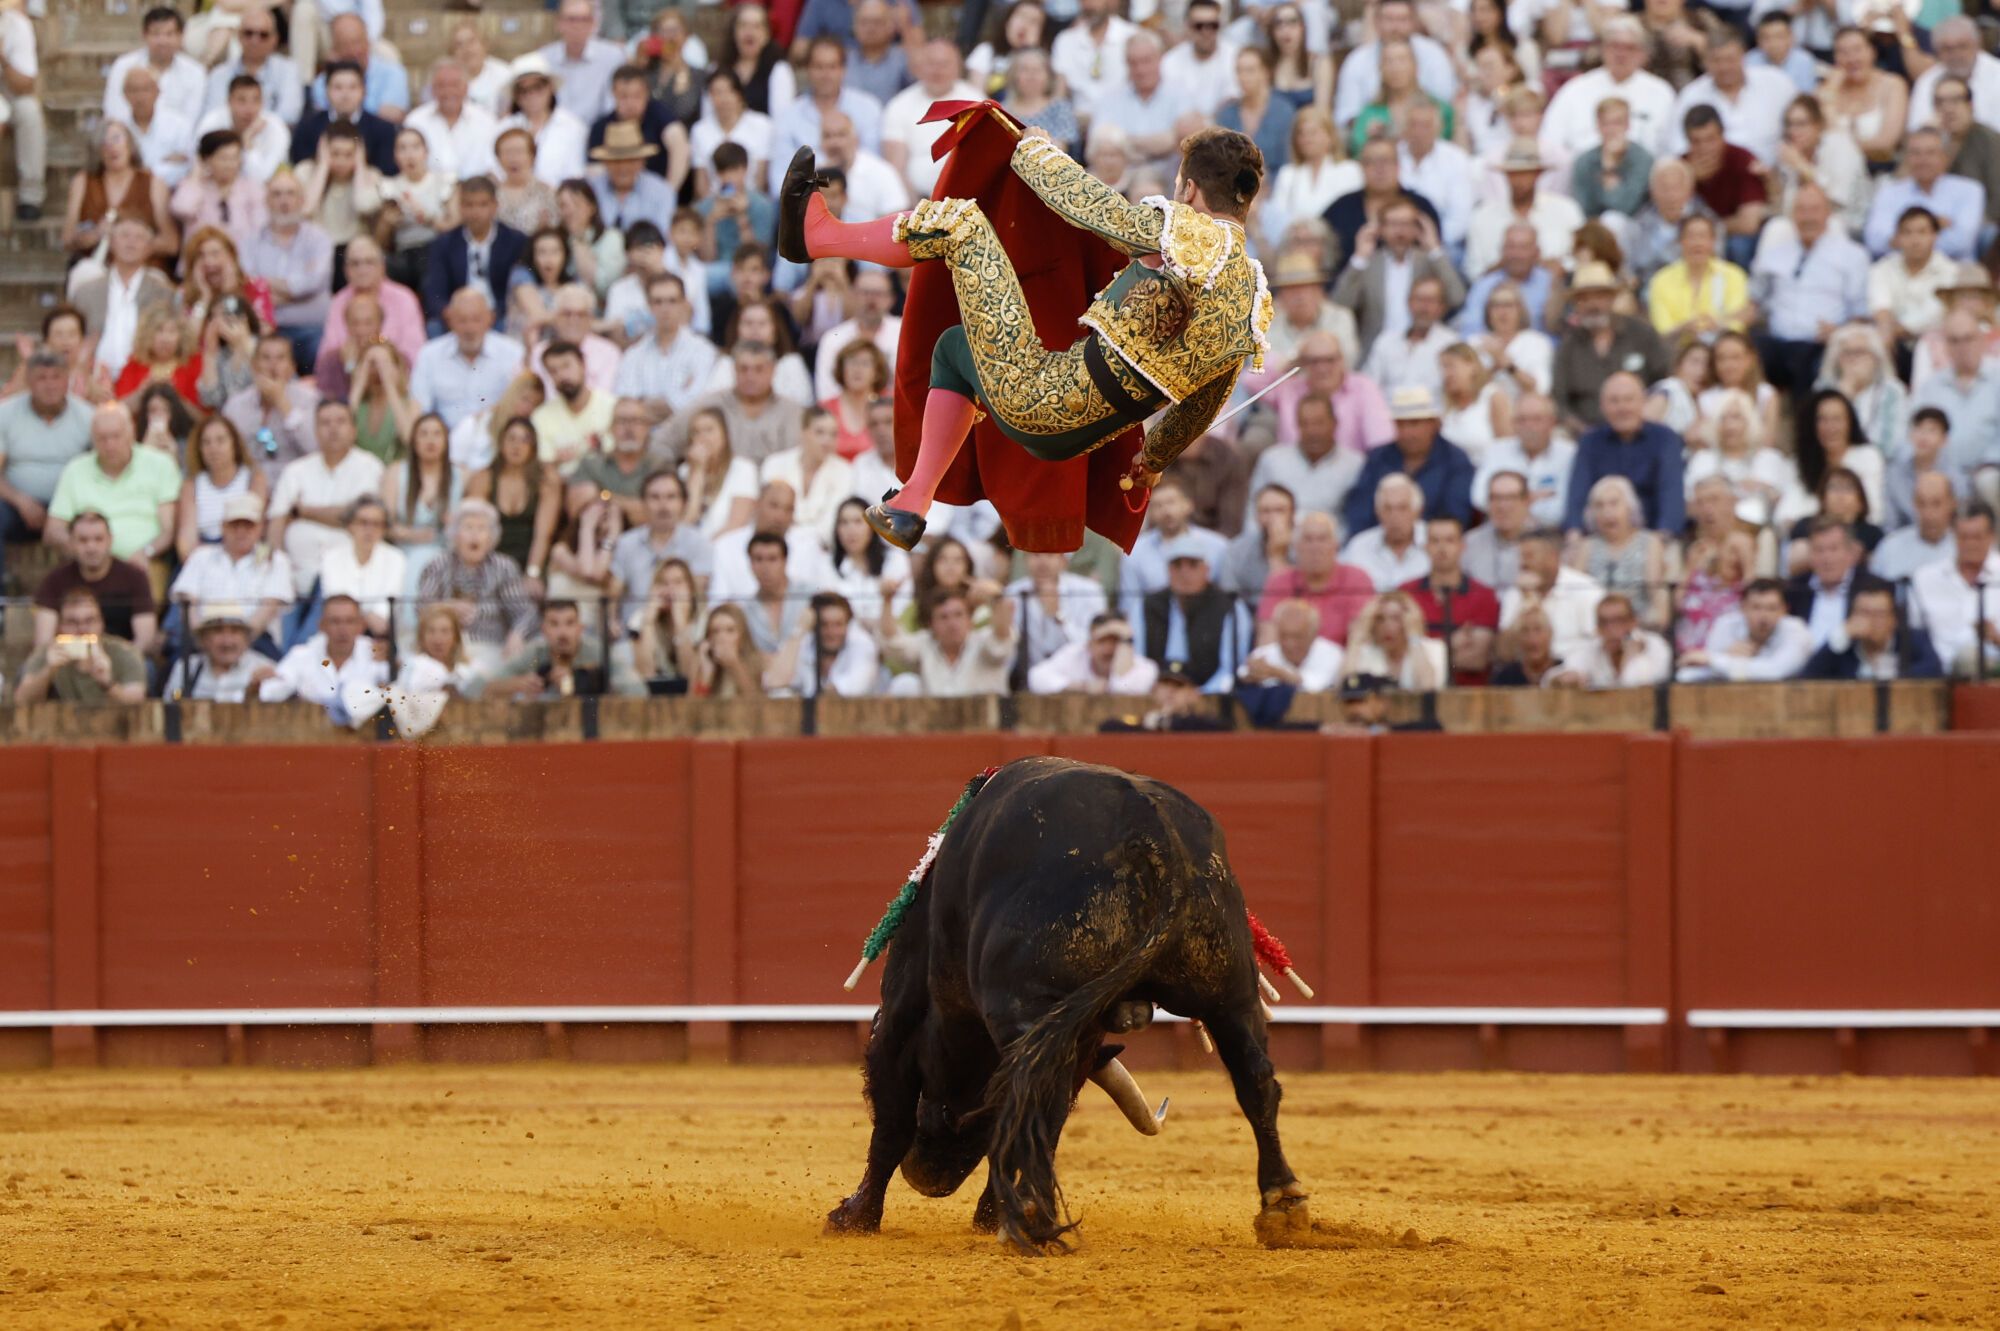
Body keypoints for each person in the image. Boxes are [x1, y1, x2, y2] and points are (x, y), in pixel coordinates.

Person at [1753, 184, 1872, 400]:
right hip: (1778, 341)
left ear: (1828, 214)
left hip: (1821, 342)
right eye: (1801, 210)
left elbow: (1860, 313)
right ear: (1792, 215)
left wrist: (1840, 331)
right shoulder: (1774, 254)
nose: (1808, 217)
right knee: (1746, 352)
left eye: (1814, 210)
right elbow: (1754, 300)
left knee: (1810, 363)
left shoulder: (1852, 256)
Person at [266, 401, 387, 598]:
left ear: (354, 429)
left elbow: (358, 517)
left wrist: (303, 512)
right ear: (315, 430)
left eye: (340, 421)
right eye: (325, 422)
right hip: (297, 578)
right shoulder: (295, 471)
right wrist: (277, 571)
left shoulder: (370, 467)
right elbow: (277, 522)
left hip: (350, 580)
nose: (333, 428)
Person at [43, 404, 181, 574]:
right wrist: (83, 549)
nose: (110, 445)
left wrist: (146, 552)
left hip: (143, 562)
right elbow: (53, 530)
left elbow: (168, 530)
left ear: (131, 434)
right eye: (102, 438)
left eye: (116, 436)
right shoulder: (75, 470)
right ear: (92, 440)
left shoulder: (160, 465)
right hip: (87, 568)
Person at [416, 499, 540, 674]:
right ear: (455, 534)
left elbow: (525, 613)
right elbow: (421, 607)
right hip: (444, 651)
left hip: (491, 647)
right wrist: (447, 608)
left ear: (491, 537)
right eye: (468, 528)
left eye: (482, 529)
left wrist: (517, 635)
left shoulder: (504, 567)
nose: (475, 535)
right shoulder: (437, 565)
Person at [1333, 198, 1462, 363]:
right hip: (1376, 354)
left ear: (1418, 228)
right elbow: (1340, 305)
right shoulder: (1368, 263)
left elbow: (1457, 297)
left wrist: (1434, 248)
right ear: (1380, 229)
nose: (1400, 231)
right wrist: (1359, 257)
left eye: (1407, 224)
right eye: (1393, 224)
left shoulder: (1429, 261)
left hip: (1426, 352)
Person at [167, 491, 294, 650]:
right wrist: (203, 639)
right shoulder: (201, 556)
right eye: (235, 525)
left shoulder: (275, 560)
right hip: (203, 638)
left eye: (248, 525)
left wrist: (237, 643)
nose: (241, 531)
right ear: (223, 527)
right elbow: (187, 601)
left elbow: (269, 607)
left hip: (255, 641)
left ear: (260, 528)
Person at [1342, 386, 1476, 537]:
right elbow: (1359, 512)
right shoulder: (1378, 458)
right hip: (1378, 546)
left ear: (1433, 424)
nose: (1407, 432)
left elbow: (1456, 518)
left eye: (1414, 423)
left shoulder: (1455, 461)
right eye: (1401, 424)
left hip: (1432, 548)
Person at [1551, 264, 1669, 431]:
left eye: (1599, 296)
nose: (1593, 305)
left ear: (1612, 298)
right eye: (1584, 298)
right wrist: (1585, 433)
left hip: (1643, 429)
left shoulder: (1642, 334)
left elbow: (1665, 381)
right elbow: (1559, 401)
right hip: (1585, 435)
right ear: (1576, 305)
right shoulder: (1568, 347)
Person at [1565, 372, 1684, 536]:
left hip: (1654, 536)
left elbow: (1671, 495)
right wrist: (1574, 533)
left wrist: (1662, 539)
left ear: (1643, 402)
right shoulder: (1590, 442)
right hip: (1600, 538)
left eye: (1629, 400)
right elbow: (1577, 495)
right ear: (1602, 406)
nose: (1622, 408)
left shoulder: (1665, 439)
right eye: (1614, 401)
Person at [0, 351, 94, 549]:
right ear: (28, 381)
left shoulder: (88, 416)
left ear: (67, 380)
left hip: (74, 505)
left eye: (56, 377)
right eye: (41, 378)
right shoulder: (5, 414)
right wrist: (20, 501)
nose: (50, 385)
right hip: (17, 505)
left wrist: (62, 510)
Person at [242, 172, 335, 371]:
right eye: (277, 194)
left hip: (311, 331)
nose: (284, 201)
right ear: (267, 200)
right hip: (265, 331)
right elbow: (248, 284)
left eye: (290, 194)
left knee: (325, 354)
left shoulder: (319, 238)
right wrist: (300, 292)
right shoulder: (250, 241)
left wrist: (264, 285)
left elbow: (314, 283)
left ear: (301, 200)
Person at [1137, 535, 1252, 694]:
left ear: (1207, 570)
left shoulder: (1230, 607)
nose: (1184, 573)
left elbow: (1230, 670)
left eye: (1193, 565)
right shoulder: (1147, 606)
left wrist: (1200, 695)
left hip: (1209, 698)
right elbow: (1138, 661)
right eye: (1177, 565)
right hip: (1155, 695)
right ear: (1168, 570)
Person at [32, 511, 157, 651]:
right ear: (71, 543)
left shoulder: (134, 577)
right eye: (83, 540)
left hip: (123, 658)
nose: (91, 547)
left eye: (98, 539)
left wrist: (120, 663)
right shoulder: (54, 580)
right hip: (68, 658)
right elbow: (43, 642)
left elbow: (145, 639)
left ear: (110, 540)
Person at [64, 122, 176, 280]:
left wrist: (131, 243)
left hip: (144, 268)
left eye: (116, 139)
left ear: (130, 144)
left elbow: (171, 243)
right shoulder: (83, 181)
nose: (111, 147)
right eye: (104, 142)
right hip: (98, 270)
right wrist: (96, 235)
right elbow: (67, 239)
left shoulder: (153, 183)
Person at [1861, 128, 1987, 264]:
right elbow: (1875, 241)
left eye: (1930, 153)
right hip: (1900, 273)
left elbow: (1962, 243)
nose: (1923, 160)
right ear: (1906, 158)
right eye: (1916, 153)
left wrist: (1904, 237)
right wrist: (1937, 225)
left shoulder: (1969, 190)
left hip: (1955, 273)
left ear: (1945, 157)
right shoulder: (1889, 192)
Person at [1401, 515, 1501, 684]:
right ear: (1425, 546)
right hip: (1416, 692)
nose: (1442, 548)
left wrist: (1421, 646)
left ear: (1462, 546)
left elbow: (1476, 660)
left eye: (1449, 540)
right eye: (1435, 541)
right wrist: (1452, 644)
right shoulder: (1406, 594)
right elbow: (1400, 655)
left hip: (1471, 698)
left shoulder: (1483, 595)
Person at [412, 286, 526, 430]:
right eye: (462, 320)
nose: (470, 328)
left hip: (497, 442)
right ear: (450, 320)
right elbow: (420, 410)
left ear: (490, 318)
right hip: (446, 446)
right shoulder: (429, 354)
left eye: (476, 319)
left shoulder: (513, 352)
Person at [421, 178, 529, 328]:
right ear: (461, 207)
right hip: (458, 317)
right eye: (469, 205)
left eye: (483, 204)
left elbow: (519, 289)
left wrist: (494, 313)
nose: (475, 212)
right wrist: (450, 313)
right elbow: (435, 289)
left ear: (494, 206)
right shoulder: (444, 243)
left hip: (500, 315)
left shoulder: (515, 241)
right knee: (434, 327)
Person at [1908, 502, 2000, 676]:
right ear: (1953, 535)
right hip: (1938, 677)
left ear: (1992, 536)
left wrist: (1996, 638)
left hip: (1994, 680)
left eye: (1978, 537)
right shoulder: (1925, 578)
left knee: (1971, 657)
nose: (1971, 544)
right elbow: (1912, 638)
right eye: (1964, 537)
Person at [13, 589, 148, 705]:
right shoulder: (48, 652)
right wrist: (48, 671)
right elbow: (21, 702)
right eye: (72, 622)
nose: (82, 629)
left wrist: (107, 683)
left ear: (101, 623)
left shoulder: (124, 652)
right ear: (60, 626)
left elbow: (138, 704)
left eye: (89, 621)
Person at [882, 587, 1018, 696]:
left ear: (970, 620)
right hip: (936, 727)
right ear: (931, 624)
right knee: (906, 683)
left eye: (958, 615)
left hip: (987, 727)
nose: (952, 624)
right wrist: (887, 601)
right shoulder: (925, 643)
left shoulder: (983, 641)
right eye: (943, 617)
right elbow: (893, 643)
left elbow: (1002, 638)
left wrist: (997, 599)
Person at [1785, 515, 1892, 650]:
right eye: (1819, 550)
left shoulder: (1874, 588)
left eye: (1834, 549)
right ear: (1810, 554)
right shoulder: (1794, 589)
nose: (1827, 558)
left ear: (1850, 552)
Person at [1675, 577, 1813, 682]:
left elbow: (1775, 672)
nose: (1764, 616)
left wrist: (1721, 660)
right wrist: (1725, 660)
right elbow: (1691, 675)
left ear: (1784, 610)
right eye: (1756, 607)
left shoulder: (1796, 630)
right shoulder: (1726, 624)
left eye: (1772, 608)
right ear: (1743, 608)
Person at [1800, 583, 1944, 679]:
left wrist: (1894, 674)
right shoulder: (1844, 646)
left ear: (1893, 619)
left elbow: (1934, 668)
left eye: (1879, 614)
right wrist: (1839, 636)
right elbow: (1808, 676)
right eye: (1864, 613)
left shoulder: (1911, 639)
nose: (1871, 621)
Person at [1869, 206, 1957, 364]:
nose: (1915, 240)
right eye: (1907, 233)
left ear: (1935, 236)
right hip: (1891, 345)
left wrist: (1892, 331)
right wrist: (1887, 332)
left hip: (1934, 348)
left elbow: (1932, 316)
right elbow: (1881, 309)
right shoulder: (1882, 268)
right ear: (1897, 238)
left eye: (1922, 232)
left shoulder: (1951, 272)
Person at [290, 60, 398, 177]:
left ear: (364, 91)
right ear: (326, 91)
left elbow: (387, 172)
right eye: (338, 87)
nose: (345, 94)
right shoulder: (308, 127)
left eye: (352, 87)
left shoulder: (383, 130)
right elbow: (300, 165)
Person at [486, 599, 609, 699]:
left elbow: (623, 687)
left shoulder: (600, 653)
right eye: (554, 624)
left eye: (570, 623)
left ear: (580, 628)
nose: (562, 632)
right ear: (544, 630)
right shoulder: (533, 653)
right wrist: (518, 684)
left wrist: (575, 683)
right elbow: (487, 687)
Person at [497, 54, 588, 188]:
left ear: (550, 88)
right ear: (516, 96)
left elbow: (575, 176)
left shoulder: (573, 127)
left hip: (560, 203)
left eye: (538, 87)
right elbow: (497, 173)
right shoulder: (504, 128)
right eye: (524, 90)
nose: (532, 94)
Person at [1547, 591, 1670, 688]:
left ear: (1633, 622)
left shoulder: (1655, 646)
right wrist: (1566, 678)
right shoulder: (1592, 649)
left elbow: (1636, 687)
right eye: (1604, 623)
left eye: (1618, 620)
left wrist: (1631, 656)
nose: (1611, 629)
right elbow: (1553, 677)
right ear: (1597, 628)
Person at [161, 602, 280, 702]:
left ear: (246, 639)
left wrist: (255, 692)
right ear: (203, 639)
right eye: (218, 631)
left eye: (234, 632)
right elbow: (170, 708)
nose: (227, 642)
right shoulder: (185, 668)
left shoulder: (265, 668)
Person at [405, 58, 498, 183]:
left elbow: (493, 167)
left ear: (466, 88)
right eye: (441, 85)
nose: (448, 91)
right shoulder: (415, 120)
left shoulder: (486, 121)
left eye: (455, 85)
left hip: (474, 195)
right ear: (432, 90)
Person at [1028, 610, 1158, 695]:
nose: (1108, 649)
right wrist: (1082, 687)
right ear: (1089, 643)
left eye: (1116, 641)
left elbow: (1123, 689)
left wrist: (1126, 639)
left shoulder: (1145, 667)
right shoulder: (1075, 653)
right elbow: (1036, 677)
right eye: (1102, 641)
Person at [1342, 472, 1432, 591]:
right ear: (1377, 512)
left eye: (1402, 508)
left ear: (1417, 512)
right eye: (1387, 508)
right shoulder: (1358, 547)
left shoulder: (1435, 541)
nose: (1394, 517)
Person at [1341, 591, 1444, 691]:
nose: (1387, 626)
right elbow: (1346, 687)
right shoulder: (1365, 653)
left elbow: (1428, 688)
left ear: (1411, 620)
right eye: (1380, 619)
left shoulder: (1435, 649)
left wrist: (1414, 636)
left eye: (1396, 618)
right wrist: (1357, 637)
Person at [1238, 600, 1344, 695]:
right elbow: (1235, 679)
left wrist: (1277, 673)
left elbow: (1315, 687)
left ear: (1313, 634)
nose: (1290, 644)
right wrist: (1251, 676)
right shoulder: (1263, 654)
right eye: (1284, 636)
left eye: (1297, 637)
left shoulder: (1333, 654)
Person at [1874, 472, 1961, 585]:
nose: (1928, 514)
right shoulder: (1890, 548)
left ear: (1952, 504)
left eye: (1936, 504)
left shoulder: (1966, 548)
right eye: (1921, 503)